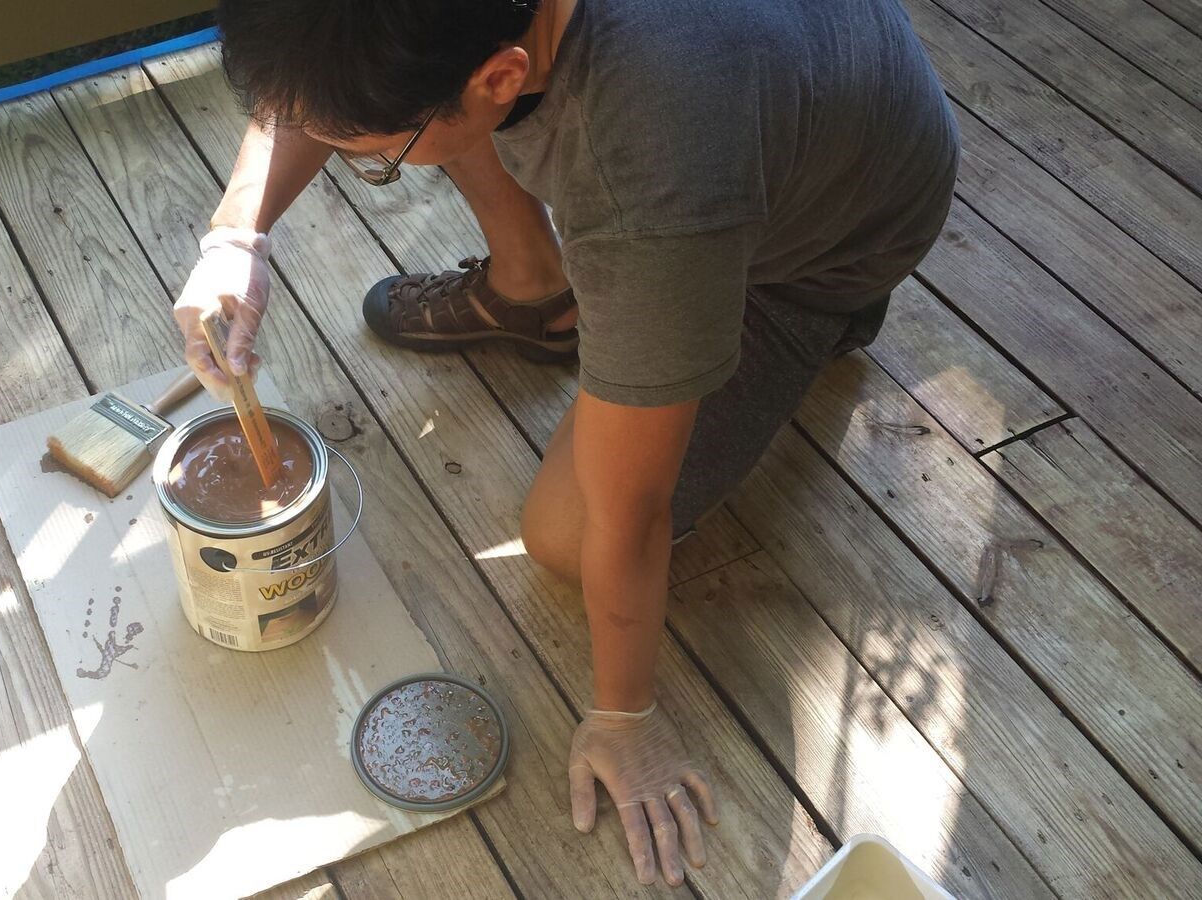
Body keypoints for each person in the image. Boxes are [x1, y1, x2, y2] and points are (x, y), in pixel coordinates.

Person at [172, 0, 959, 885]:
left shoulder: (652, 171)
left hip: (817, 241)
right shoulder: (490, 40)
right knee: (428, 99)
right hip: (787, 85)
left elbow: (633, 509)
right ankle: (537, 286)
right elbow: (325, 56)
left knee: (569, 534)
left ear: (504, 78)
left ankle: (819, 319)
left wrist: (624, 717)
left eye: (371, 159)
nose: (354, 158)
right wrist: (236, 234)